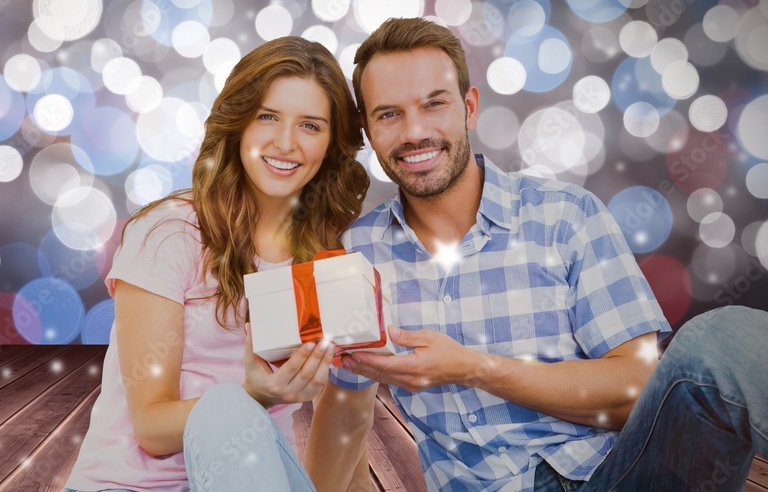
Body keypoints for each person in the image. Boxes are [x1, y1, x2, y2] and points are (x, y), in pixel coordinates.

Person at [325, 17, 768, 492]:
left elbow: (637, 386)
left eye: (435, 104)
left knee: (724, 336)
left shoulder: (566, 215)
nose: (415, 132)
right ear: (368, 130)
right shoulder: (358, 255)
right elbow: (343, 416)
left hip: (620, 479)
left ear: (469, 108)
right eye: (389, 114)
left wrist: (472, 368)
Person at [63, 35, 371, 492]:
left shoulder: (328, 258)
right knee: (227, 406)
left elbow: (350, 430)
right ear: (240, 123)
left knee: (363, 380)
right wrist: (255, 396)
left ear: (331, 143)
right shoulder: (170, 232)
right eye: (268, 116)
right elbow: (149, 426)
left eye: (310, 125)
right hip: (125, 486)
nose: (285, 143)